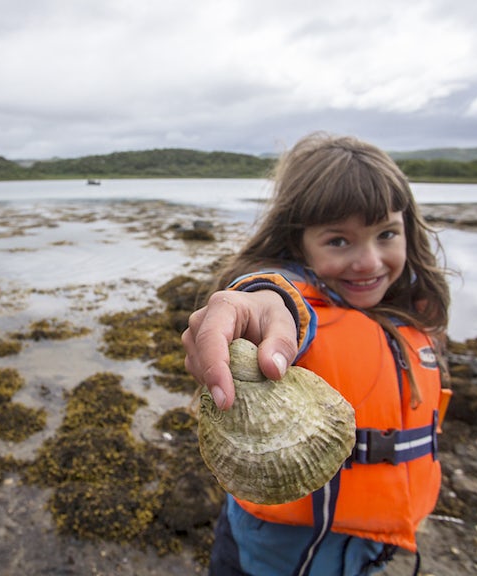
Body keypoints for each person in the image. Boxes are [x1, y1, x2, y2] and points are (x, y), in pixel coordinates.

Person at [183, 133, 451, 576]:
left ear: (409, 231)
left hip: (368, 552)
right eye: (338, 242)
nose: (368, 262)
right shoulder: (298, 316)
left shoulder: (413, 320)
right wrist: (254, 302)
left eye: (386, 234)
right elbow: (277, 303)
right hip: (263, 561)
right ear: (297, 245)